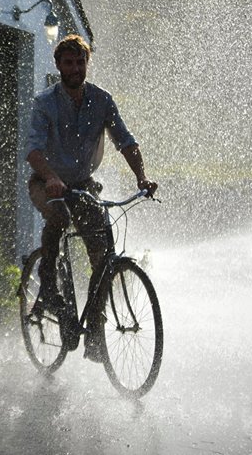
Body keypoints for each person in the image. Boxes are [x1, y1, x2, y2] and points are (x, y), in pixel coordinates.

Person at [25, 34, 157, 360]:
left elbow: (125, 141)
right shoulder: (45, 103)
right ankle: (50, 288)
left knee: (104, 253)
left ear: (87, 63)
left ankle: (95, 328)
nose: (75, 68)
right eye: (68, 62)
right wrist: (52, 177)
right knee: (58, 217)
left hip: (83, 185)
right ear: (58, 65)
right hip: (47, 183)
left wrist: (142, 176)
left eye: (80, 62)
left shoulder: (102, 100)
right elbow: (34, 151)